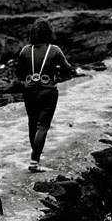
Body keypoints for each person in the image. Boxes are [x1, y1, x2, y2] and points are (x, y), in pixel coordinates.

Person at [16, 19, 75, 172]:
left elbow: (19, 74)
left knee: (32, 123)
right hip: (48, 91)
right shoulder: (54, 50)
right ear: (49, 32)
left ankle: (35, 156)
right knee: (42, 126)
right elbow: (68, 70)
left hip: (29, 91)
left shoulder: (25, 51)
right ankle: (35, 161)